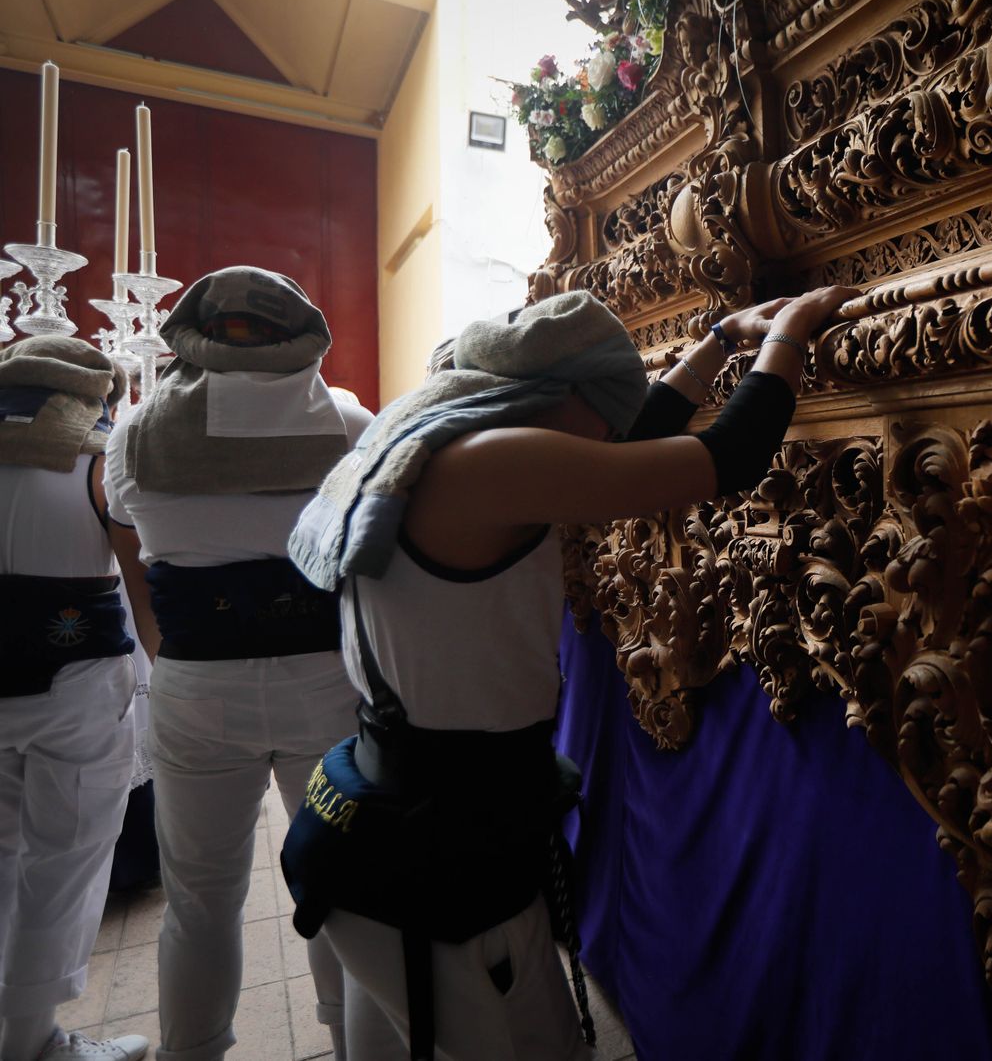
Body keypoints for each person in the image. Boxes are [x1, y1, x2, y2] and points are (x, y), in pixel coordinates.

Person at [280, 284, 857, 1060]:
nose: (612, 432)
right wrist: (789, 332)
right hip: (438, 860)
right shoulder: (492, 462)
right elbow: (726, 458)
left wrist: (723, 338)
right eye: (604, 410)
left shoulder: (431, 435)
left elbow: (624, 450)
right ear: (560, 399)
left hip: (389, 827)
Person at [101, 267, 372, 1061]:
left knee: (198, 902)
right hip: (325, 681)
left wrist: (164, 654)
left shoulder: (133, 436)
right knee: (339, 891)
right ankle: (355, 1046)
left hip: (194, 682)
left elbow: (128, 539)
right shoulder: (352, 425)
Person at [0, 336, 149, 1061]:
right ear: (95, 393)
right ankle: (33, 1041)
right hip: (75, 680)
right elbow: (138, 569)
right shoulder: (98, 455)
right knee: (64, 863)